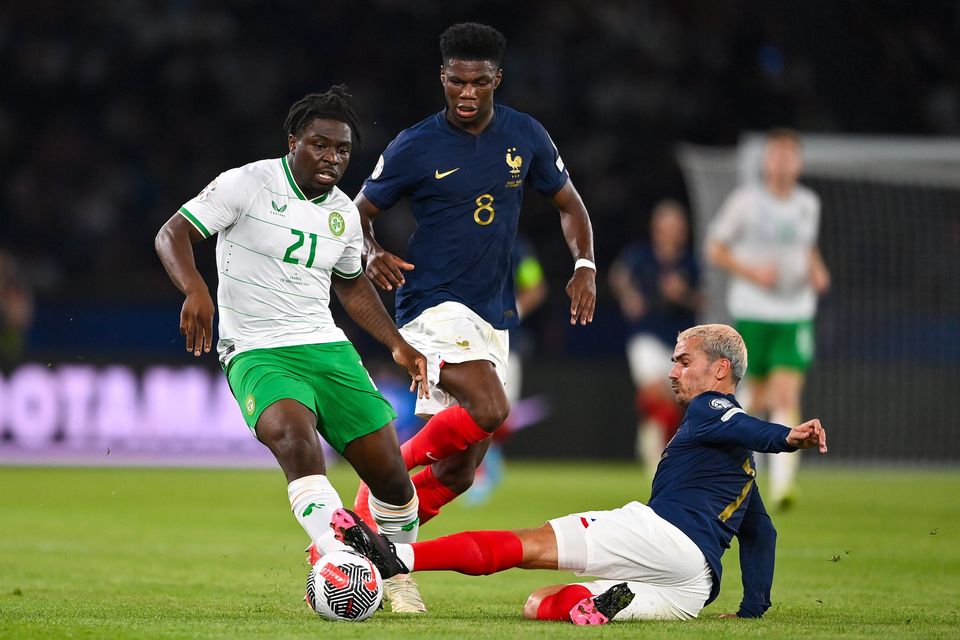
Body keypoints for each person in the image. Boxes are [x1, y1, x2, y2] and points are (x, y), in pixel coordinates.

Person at [330, 324, 828, 625]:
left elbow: (742, 422)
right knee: (539, 605)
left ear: (720, 370)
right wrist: (752, 610)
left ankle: (397, 555)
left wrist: (787, 437)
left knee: (527, 545)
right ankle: (609, 604)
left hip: (662, 536)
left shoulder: (711, 409)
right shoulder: (741, 468)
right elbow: (760, 532)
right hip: (693, 587)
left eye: (683, 360)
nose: (672, 371)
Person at [349, 22, 597, 610]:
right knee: (491, 408)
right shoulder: (415, 144)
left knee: (461, 472)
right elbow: (357, 210)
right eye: (456, 81)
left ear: (496, 80)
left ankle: (383, 549)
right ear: (442, 77)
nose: (466, 93)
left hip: (492, 316)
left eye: (478, 83)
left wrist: (584, 262)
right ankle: (372, 488)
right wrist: (372, 251)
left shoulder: (525, 135)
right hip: (431, 305)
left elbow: (570, 203)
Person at [154, 86, 428, 579]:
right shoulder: (247, 184)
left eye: (342, 150)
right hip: (257, 351)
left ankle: (397, 577)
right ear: (293, 142)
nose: (331, 157)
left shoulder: (343, 212)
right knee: (295, 443)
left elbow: (352, 288)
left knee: (393, 482)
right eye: (320, 144)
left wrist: (396, 344)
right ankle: (344, 565)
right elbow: (172, 233)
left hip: (327, 350)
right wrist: (196, 289)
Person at [705, 129, 830, 510]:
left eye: (789, 156)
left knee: (786, 394)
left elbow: (804, 246)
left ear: (799, 163)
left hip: (795, 313)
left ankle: (783, 486)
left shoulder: (808, 203)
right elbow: (715, 248)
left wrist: (817, 269)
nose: (781, 162)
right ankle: (736, 470)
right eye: (775, 155)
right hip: (754, 311)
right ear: (765, 162)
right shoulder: (746, 201)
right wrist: (752, 272)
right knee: (753, 397)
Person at [609, 200, 702, 473]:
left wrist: (682, 294)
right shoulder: (641, 256)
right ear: (656, 229)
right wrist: (629, 296)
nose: (671, 232)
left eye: (676, 227)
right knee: (653, 392)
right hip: (646, 337)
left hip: (681, 344)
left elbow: (705, 301)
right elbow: (618, 275)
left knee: (671, 407)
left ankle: (654, 445)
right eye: (666, 226)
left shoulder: (691, 263)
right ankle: (655, 461)